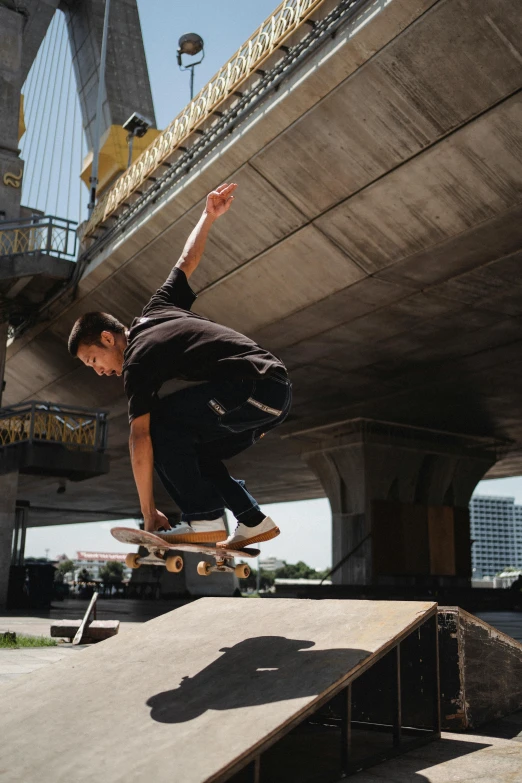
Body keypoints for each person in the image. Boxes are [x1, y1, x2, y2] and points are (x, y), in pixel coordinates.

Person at [67, 183, 291, 550]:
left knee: (160, 427)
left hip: (254, 387)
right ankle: (252, 520)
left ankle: (203, 518)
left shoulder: (138, 361)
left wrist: (148, 511)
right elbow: (186, 261)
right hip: (270, 393)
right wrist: (208, 215)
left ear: (108, 339)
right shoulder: (158, 307)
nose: (99, 370)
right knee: (194, 448)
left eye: (93, 360)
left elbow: (140, 441)